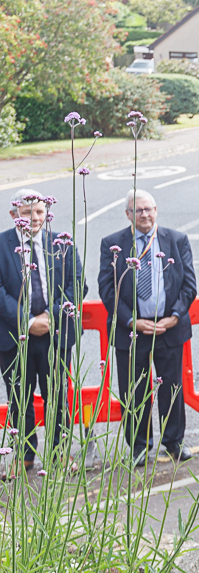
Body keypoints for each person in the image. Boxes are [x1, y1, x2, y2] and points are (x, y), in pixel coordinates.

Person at [98, 189, 197, 467]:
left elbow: (189, 284)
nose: (145, 215)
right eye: (138, 210)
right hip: (131, 332)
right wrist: (132, 320)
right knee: (134, 391)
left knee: (172, 389)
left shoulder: (176, 240)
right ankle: (140, 447)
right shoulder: (113, 244)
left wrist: (175, 316)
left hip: (169, 328)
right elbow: (107, 289)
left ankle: (174, 442)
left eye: (149, 209)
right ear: (128, 214)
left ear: (156, 210)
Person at [0, 191, 84, 474]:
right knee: (19, 401)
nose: (34, 218)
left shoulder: (62, 242)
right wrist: (27, 320)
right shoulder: (1, 245)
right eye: (26, 213)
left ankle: (60, 455)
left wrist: (52, 316)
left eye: (38, 212)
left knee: (58, 399)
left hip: (55, 336)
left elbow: (77, 284)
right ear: (14, 215)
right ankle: (24, 457)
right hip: (15, 339)